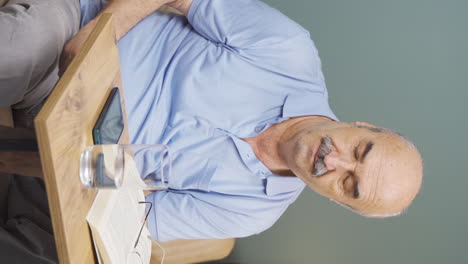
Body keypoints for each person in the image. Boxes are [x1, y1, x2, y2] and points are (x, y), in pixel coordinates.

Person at [1, 0, 422, 255]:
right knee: (17, 51)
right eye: (360, 150)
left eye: (349, 184)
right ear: (365, 125)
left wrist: (82, 167)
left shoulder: (252, 213)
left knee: (55, 248)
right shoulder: (289, 52)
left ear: (337, 201)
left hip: (76, 158)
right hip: (70, 41)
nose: (334, 160)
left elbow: (129, 215)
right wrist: (95, 39)